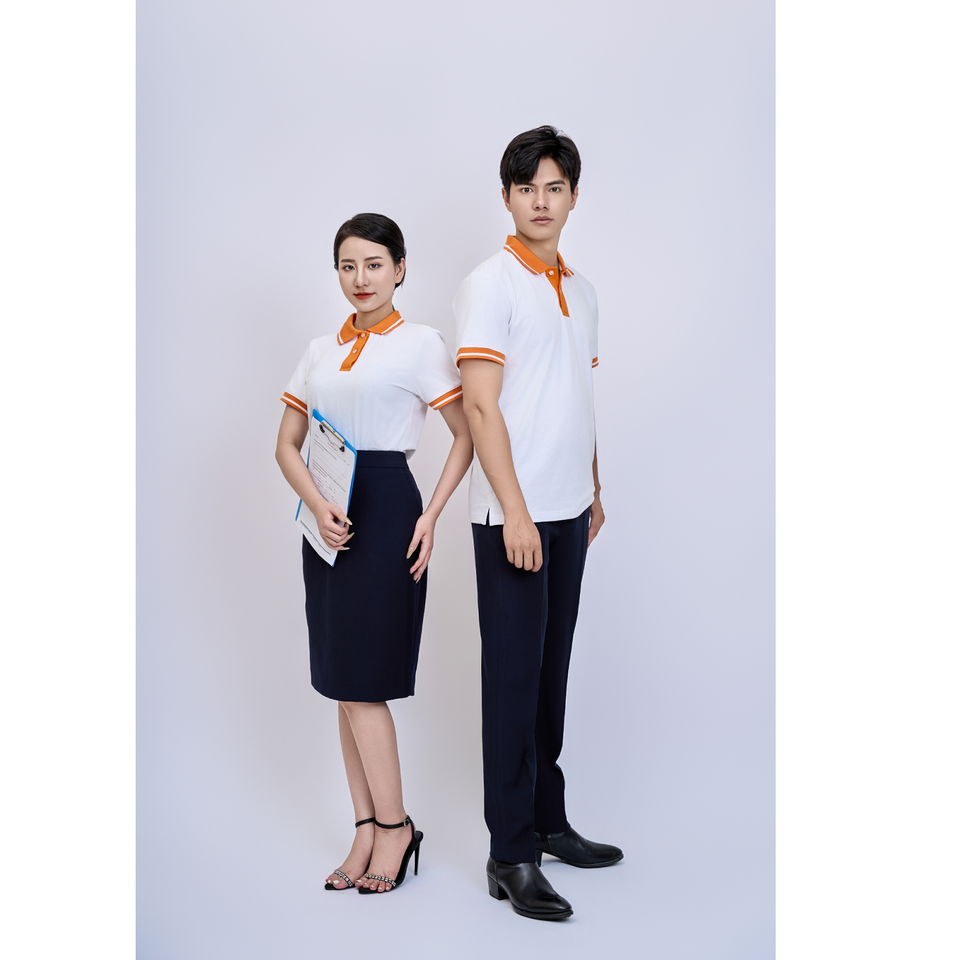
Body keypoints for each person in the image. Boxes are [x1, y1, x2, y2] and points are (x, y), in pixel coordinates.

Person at [276, 213, 472, 894]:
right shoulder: (318, 349)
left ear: (400, 269)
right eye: (348, 266)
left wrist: (432, 514)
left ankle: (396, 827)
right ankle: (365, 828)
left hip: (388, 509)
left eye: (374, 264)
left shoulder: (420, 344)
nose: (360, 278)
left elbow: (466, 433)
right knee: (341, 681)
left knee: (364, 683)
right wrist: (317, 504)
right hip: (326, 514)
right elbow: (286, 444)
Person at [454, 126, 622, 921]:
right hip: (512, 517)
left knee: (551, 679)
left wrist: (593, 487)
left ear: (574, 197)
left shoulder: (582, 291)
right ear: (507, 198)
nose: (541, 202)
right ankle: (510, 853)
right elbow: (481, 408)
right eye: (527, 189)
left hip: (568, 512)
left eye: (555, 188)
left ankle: (549, 825)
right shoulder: (489, 285)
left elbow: (577, 397)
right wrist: (516, 512)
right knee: (513, 685)